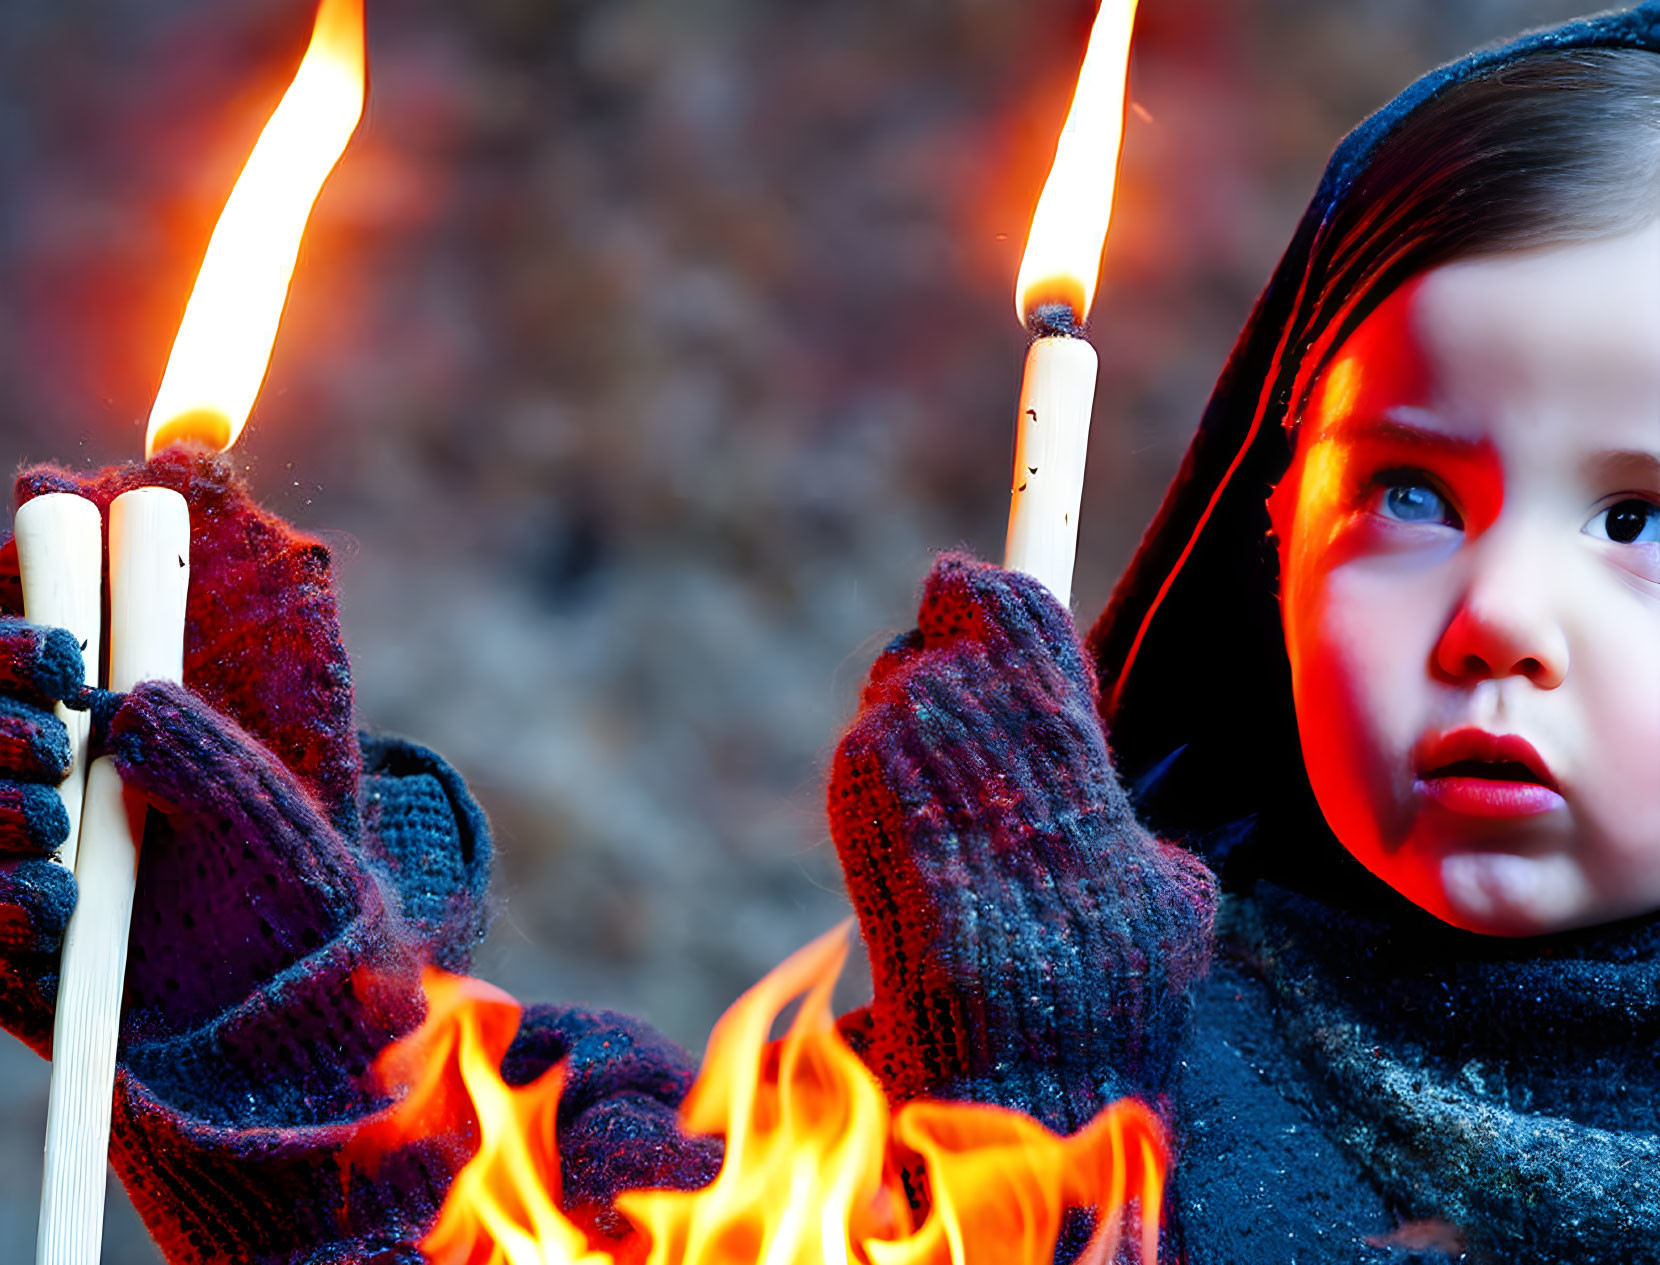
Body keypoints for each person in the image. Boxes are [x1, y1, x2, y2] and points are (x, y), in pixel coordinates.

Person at [1, 4, 1657, 1263]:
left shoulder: (1080, 1049)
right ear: (1276, 522)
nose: (1500, 617)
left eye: (1639, 520)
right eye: (1414, 496)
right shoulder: (1152, 1017)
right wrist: (264, 991)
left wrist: (1057, 1134)